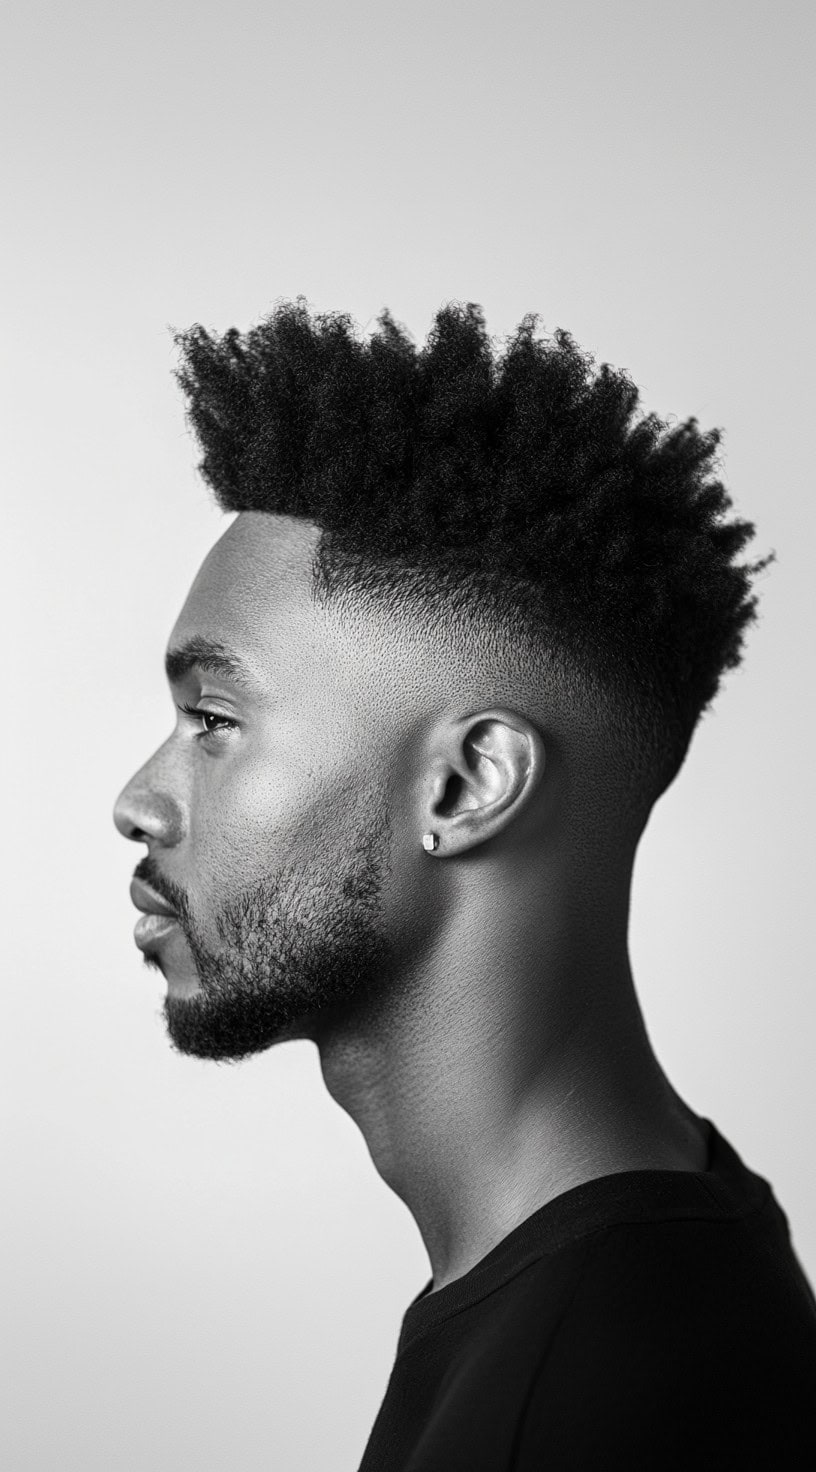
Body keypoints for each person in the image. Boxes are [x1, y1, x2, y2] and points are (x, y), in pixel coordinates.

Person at [114, 299, 816, 1468]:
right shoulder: (662, 1257)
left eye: (216, 719)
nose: (140, 797)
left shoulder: (586, 1409)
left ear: (468, 784)